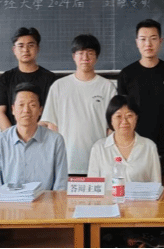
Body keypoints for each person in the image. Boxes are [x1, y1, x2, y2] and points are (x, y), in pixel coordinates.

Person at [41, 34, 117, 175]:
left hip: (98, 163)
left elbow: (112, 128)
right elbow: (52, 126)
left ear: (96, 57)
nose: (85, 57)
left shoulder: (107, 87)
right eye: (80, 53)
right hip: (66, 163)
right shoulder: (59, 86)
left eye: (90, 53)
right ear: (73, 56)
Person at [117, 19, 164, 168]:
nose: (148, 44)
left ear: (160, 41)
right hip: (136, 145)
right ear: (137, 42)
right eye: (143, 39)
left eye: (153, 38)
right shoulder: (127, 74)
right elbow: (122, 113)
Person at [0, 83, 67, 191]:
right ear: (13, 109)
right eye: (21, 105)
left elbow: (61, 184)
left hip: (46, 201)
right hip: (9, 201)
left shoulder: (55, 141)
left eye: (32, 105)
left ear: (40, 110)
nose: (26, 110)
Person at [88, 95, 162, 186]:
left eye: (129, 116)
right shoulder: (99, 148)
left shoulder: (149, 147)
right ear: (110, 120)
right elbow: (92, 186)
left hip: (141, 196)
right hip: (108, 196)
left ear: (136, 118)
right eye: (118, 116)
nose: (124, 121)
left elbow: (156, 185)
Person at [0, 27, 56, 131]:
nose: (25, 50)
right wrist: (13, 136)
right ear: (14, 50)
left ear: (38, 48)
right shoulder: (6, 78)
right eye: (21, 46)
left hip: (42, 136)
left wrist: (33, 134)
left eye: (30, 45)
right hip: (11, 137)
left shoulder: (51, 79)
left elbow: (52, 114)